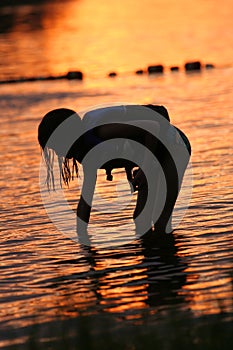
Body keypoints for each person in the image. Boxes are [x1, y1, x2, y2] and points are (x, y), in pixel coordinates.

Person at [38, 104, 191, 239]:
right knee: (141, 220)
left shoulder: (100, 131)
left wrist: (144, 168)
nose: (58, 154)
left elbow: (152, 128)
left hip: (174, 145)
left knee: (161, 220)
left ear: (65, 136)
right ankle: (155, 265)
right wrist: (81, 235)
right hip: (153, 157)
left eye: (56, 146)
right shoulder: (88, 157)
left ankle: (170, 267)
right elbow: (85, 201)